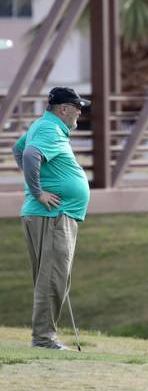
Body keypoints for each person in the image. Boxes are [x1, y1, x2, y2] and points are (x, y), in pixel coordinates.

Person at [12, 87, 91, 350]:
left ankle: (44, 337)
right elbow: (30, 155)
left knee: (51, 277)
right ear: (64, 109)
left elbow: (18, 149)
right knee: (53, 278)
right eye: (77, 106)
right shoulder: (50, 129)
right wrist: (38, 192)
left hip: (49, 214)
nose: (80, 111)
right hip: (54, 214)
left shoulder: (42, 125)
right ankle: (44, 339)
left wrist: (37, 187)